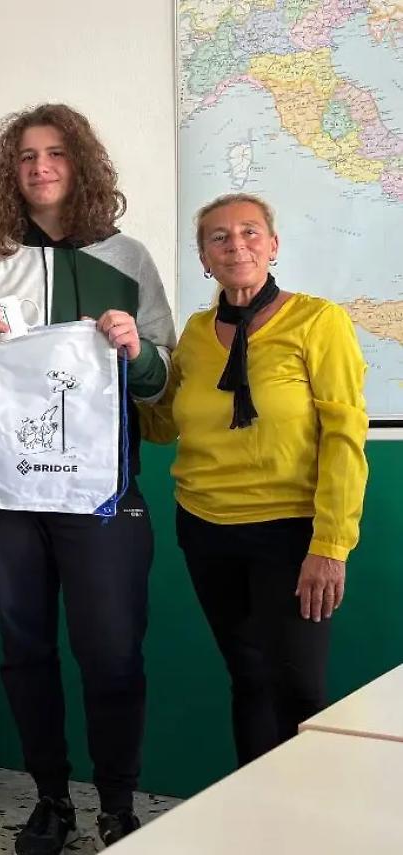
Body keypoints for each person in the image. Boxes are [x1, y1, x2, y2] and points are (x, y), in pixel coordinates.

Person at [0, 104, 176, 852]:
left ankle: (116, 803)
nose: (40, 167)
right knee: (26, 650)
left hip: (101, 493)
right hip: (3, 493)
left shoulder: (127, 257)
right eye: (27, 156)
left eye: (56, 153)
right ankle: (50, 799)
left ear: (82, 164)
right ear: (11, 171)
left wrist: (138, 351)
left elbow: (161, 379)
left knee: (112, 652)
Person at [141, 193, 368, 766]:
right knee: (247, 677)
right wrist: (118, 367)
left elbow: (344, 437)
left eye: (249, 232)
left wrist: (331, 546)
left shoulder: (319, 321)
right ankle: (253, 808)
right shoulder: (195, 334)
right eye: (218, 237)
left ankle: (307, 810)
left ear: (273, 245)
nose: (235, 245)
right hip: (205, 529)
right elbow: (161, 425)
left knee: (300, 689)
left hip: (291, 532)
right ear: (203, 258)